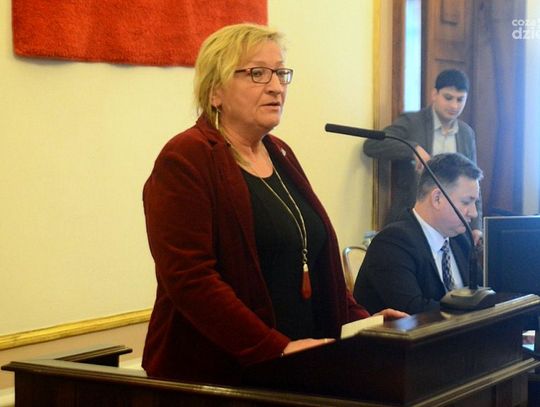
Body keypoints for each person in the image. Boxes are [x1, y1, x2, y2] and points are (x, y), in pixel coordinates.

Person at [142, 23, 406, 385]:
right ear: (215, 91)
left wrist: (363, 322)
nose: (276, 86)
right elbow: (191, 279)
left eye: (281, 73)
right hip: (219, 377)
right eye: (257, 73)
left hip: (300, 366)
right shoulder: (187, 157)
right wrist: (273, 348)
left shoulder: (280, 153)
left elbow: (314, 261)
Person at [353, 153, 483, 315]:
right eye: (466, 202)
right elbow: (414, 311)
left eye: (475, 203)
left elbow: (483, 293)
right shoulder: (392, 243)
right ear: (437, 198)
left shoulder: (461, 240)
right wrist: (471, 313)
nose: (474, 213)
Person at [363, 69, 483, 244]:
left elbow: (474, 180)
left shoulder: (466, 133)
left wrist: (476, 226)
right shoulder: (413, 122)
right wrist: (413, 149)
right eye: (448, 98)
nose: (454, 106)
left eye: (460, 99)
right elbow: (372, 145)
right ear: (434, 94)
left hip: (452, 227)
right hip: (412, 221)